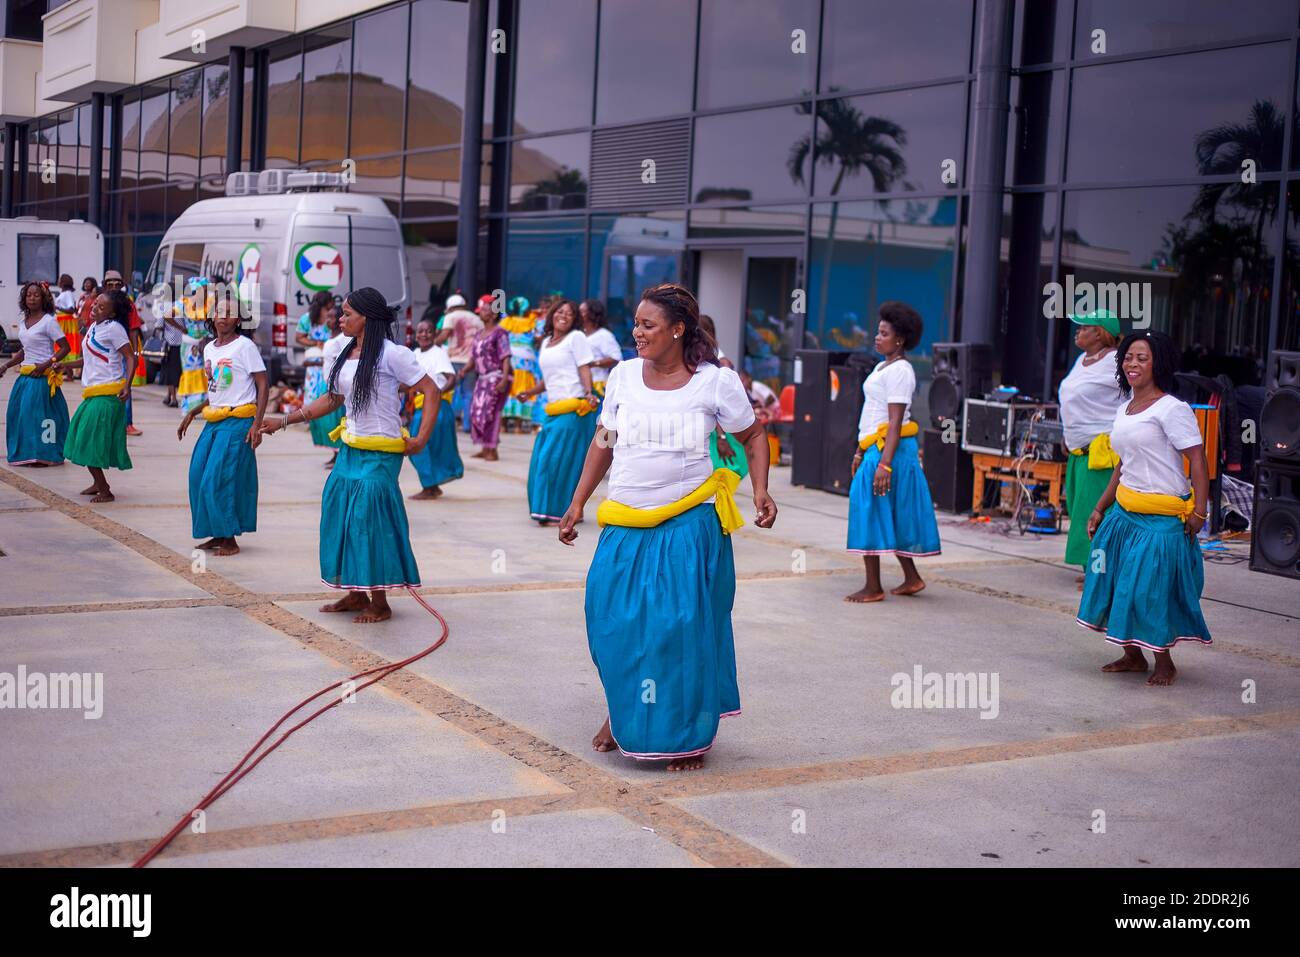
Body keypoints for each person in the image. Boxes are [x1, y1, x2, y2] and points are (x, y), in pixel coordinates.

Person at [558, 283, 777, 771]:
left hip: (688, 524)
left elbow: (754, 434)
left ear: (678, 330)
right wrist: (576, 502)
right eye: (635, 323)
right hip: (625, 521)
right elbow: (604, 439)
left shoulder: (714, 382)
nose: (636, 332)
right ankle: (622, 712)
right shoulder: (622, 376)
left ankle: (684, 735)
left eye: (648, 325)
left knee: (677, 631)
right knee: (611, 622)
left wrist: (760, 490)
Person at [258, 288, 438, 624]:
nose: (339, 319)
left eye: (346, 314)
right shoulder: (343, 351)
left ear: (366, 318)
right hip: (351, 447)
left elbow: (431, 390)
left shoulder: (392, 354)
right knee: (339, 513)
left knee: (367, 519)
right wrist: (282, 420)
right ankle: (356, 592)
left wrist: (422, 438)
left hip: (382, 450)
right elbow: (332, 400)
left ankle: (379, 601)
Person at [1078, 330, 1212, 687]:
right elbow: (1123, 464)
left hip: (1161, 517)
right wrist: (1099, 507)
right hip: (1124, 513)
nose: (1133, 364)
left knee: (1147, 590)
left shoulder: (1172, 409)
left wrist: (1200, 511)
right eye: (1128, 357)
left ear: (1159, 364)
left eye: (1142, 358)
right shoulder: (1124, 408)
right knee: (1111, 581)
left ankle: (1163, 661)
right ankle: (1132, 655)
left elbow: (1198, 460)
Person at [845, 301, 941, 602]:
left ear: (899, 339)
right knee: (889, 512)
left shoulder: (901, 370)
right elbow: (873, 413)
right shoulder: (881, 366)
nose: (877, 337)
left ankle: (873, 587)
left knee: (868, 510)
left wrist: (884, 465)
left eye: (884, 333)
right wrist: (860, 451)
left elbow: (896, 421)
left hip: (888, 450)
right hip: (874, 446)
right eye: (878, 331)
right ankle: (911, 578)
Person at [176, 296, 268, 557]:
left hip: (239, 422)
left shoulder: (245, 347)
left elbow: (263, 385)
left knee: (219, 478)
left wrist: (257, 425)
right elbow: (217, 389)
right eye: (218, 311)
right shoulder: (209, 349)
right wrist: (193, 412)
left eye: (229, 313)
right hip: (214, 420)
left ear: (238, 320)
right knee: (198, 476)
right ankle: (216, 532)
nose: (222, 316)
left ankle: (230, 539)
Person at [517, 299, 599, 524]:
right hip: (554, 410)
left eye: (570, 314)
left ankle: (559, 511)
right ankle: (557, 510)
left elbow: (584, 367)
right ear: (552, 314)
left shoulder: (576, 338)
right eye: (560, 311)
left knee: (554, 461)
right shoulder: (546, 342)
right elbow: (549, 378)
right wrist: (530, 391)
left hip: (575, 408)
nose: (564, 316)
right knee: (542, 462)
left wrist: (589, 391)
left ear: (575, 320)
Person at [1059, 308, 1124, 582]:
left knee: (1094, 511)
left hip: (1099, 451)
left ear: (1099, 333)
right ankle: (1091, 567)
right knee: (1077, 508)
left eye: (1083, 327)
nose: (1078, 331)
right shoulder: (1082, 360)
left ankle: (1099, 572)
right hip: (1076, 449)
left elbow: (1131, 397)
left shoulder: (1116, 361)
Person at [62, 290, 135, 501]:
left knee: (88, 441)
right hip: (92, 394)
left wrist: (127, 386)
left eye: (101, 307)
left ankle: (105, 490)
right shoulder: (94, 327)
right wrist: (64, 365)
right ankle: (97, 482)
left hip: (107, 395)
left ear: (112, 314)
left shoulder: (114, 329)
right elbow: (89, 360)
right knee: (80, 438)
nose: (94, 308)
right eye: (95, 304)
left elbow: (130, 358)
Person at [1, 281, 70, 466]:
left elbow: (65, 347)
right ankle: (26, 453)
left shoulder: (49, 321)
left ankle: (43, 455)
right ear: (24, 298)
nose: (32, 298)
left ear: (44, 298)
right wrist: (6, 366)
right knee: (20, 416)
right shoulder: (24, 322)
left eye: (36, 295)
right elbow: (25, 350)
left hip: (41, 377)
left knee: (39, 418)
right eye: (29, 295)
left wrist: (47, 364)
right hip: (25, 377)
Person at [406, 316, 463, 499]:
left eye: (429, 331)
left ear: (435, 334)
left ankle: (430, 487)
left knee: (419, 445)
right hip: (420, 407)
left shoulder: (438, 353)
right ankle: (431, 486)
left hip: (436, 408)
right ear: (416, 335)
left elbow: (451, 378)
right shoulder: (415, 354)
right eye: (420, 331)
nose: (424, 334)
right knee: (419, 446)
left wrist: (435, 396)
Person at [455, 294, 512, 461]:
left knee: (491, 413)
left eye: (485, 310)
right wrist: (464, 370)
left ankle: (492, 449)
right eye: (481, 310)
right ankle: (484, 447)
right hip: (482, 378)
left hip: (497, 377)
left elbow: (506, 357)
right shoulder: (479, 334)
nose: (481, 313)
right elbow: (473, 358)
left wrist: (504, 379)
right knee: (477, 412)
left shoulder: (500, 333)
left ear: (494, 313)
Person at [297, 291, 342, 456]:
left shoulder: (337, 337)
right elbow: (299, 337)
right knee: (317, 409)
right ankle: (333, 450)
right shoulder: (308, 319)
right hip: (317, 367)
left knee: (331, 414)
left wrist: (312, 361)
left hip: (323, 367)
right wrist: (315, 343)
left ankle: (337, 451)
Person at [101, 270, 145, 436]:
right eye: (109, 284)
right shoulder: (101, 302)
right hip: (104, 351)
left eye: (117, 284)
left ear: (122, 285)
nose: (113, 287)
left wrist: (134, 352)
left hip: (123, 350)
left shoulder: (128, 303)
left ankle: (127, 423)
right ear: (104, 285)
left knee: (125, 386)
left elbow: (133, 328)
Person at [436, 292, 484, 432]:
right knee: (468, 394)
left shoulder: (450, 317)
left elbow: (444, 335)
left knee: (449, 392)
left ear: (450, 307)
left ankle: (448, 423)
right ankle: (467, 425)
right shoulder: (477, 319)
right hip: (471, 361)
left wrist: (432, 345)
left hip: (453, 359)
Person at [500, 297, 542, 431]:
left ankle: (503, 425)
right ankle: (518, 426)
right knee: (522, 390)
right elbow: (537, 338)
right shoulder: (531, 323)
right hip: (525, 364)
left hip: (508, 363)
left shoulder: (506, 321)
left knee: (508, 391)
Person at [581, 298, 622, 397]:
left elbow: (616, 358)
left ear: (591, 314)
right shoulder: (579, 334)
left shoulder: (604, 335)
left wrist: (593, 364)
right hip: (580, 387)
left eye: (582, 311)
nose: (577, 314)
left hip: (598, 386)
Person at [157, 284, 187, 408]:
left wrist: (174, 327)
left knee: (169, 370)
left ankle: (172, 397)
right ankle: (169, 396)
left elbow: (159, 324)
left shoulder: (164, 306)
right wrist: (181, 328)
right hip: (182, 341)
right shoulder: (182, 305)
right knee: (176, 370)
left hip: (169, 342)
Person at [53, 274, 80, 367]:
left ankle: (69, 374)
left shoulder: (67, 294)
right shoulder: (64, 293)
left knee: (65, 344)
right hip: (62, 321)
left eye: (59, 279)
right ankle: (67, 373)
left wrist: (57, 307)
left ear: (63, 282)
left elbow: (71, 309)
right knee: (62, 345)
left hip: (66, 323)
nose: (58, 281)